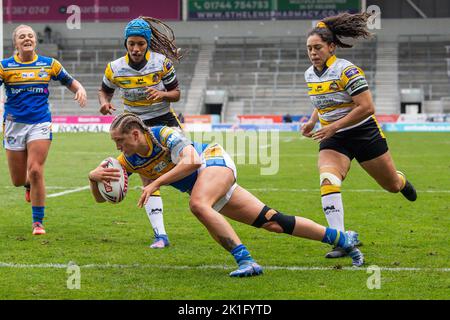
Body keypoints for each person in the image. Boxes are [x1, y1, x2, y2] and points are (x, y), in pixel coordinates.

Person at [88, 114, 364, 277]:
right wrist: (93, 180)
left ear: (135, 134)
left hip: (213, 161)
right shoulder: (129, 160)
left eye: (120, 141)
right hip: (207, 183)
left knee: (198, 204)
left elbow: (193, 160)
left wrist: (153, 184)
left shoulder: (164, 134)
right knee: (273, 221)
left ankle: (246, 261)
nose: (118, 147)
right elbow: (107, 199)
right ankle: (342, 238)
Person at [301, 13, 417, 259]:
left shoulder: (348, 71)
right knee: (328, 180)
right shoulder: (309, 74)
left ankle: (401, 181)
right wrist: (312, 121)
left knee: (391, 186)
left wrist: (332, 126)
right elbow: (322, 101)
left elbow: (366, 107)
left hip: (364, 133)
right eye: (309, 48)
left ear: (331, 47)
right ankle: (341, 239)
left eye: (318, 47)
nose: (313, 52)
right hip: (333, 139)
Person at [98, 17, 183, 249]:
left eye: (141, 44)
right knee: (148, 176)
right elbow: (104, 92)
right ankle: (161, 235)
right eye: (131, 43)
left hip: (164, 121)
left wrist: (162, 95)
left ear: (147, 43)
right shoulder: (114, 68)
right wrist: (105, 103)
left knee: (185, 166)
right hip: (135, 125)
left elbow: (176, 93)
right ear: (125, 43)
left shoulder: (162, 63)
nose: (136, 49)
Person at [0, 25, 87, 235]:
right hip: (13, 125)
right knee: (18, 180)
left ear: (35, 41)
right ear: (16, 43)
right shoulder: (5, 67)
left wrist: (80, 89)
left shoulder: (49, 64)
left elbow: (69, 81)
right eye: (22, 37)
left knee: (36, 170)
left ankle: (37, 222)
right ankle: (28, 185)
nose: (27, 38)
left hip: (40, 122)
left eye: (30, 35)